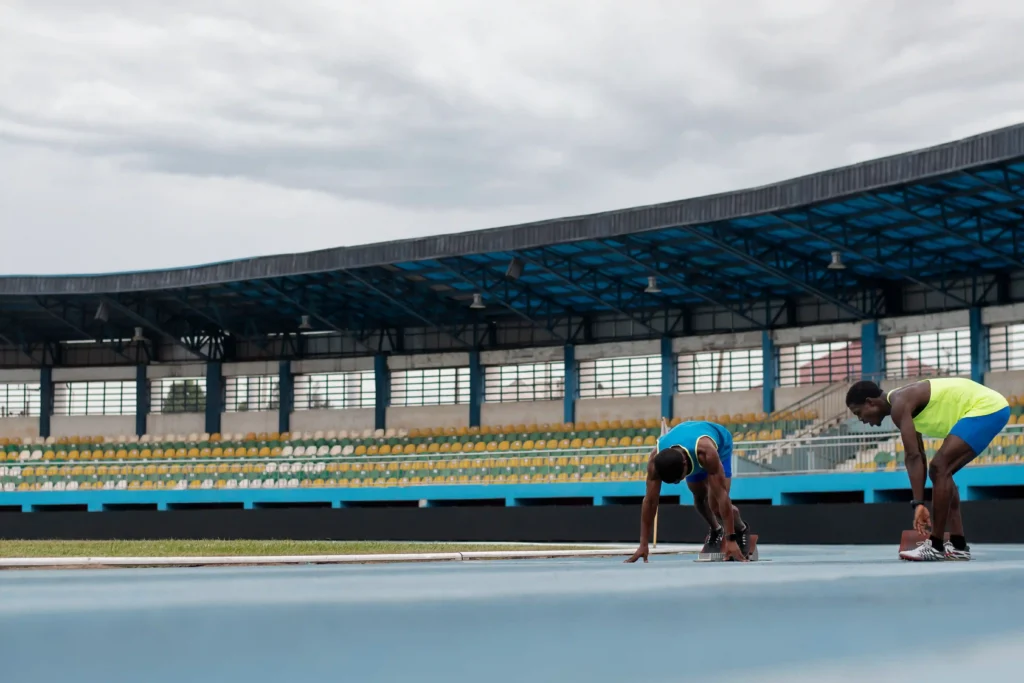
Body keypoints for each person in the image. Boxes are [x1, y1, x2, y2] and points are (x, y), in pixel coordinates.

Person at [846, 377, 1010, 561]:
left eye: (858, 412)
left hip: (987, 408)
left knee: (940, 468)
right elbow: (919, 455)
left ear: (870, 402)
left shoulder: (900, 404)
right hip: (987, 409)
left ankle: (936, 546)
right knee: (942, 473)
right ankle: (958, 545)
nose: (860, 419)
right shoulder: (903, 403)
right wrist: (919, 503)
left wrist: (919, 503)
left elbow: (912, 456)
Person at [625, 420, 751, 563]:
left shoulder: (706, 453)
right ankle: (716, 530)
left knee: (715, 504)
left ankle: (741, 529)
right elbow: (650, 501)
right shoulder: (655, 461)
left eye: (679, 478)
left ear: (685, 464)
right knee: (699, 498)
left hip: (720, 445)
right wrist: (643, 544)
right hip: (688, 446)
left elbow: (722, 497)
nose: (678, 482)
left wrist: (731, 540)